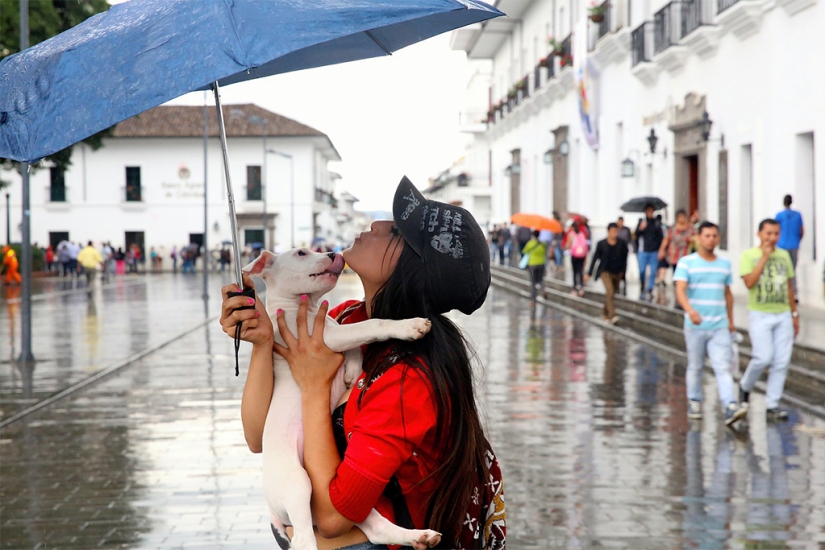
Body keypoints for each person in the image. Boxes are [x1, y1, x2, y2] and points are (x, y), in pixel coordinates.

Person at [220, 177, 504, 550]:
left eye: (399, 233)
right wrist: (262, 341)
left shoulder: (409, 379)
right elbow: (259, 438)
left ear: (414, 272)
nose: (379, 223)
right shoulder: (344, 318)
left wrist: (316, 386)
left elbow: (334, 518)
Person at [673, 222, 745, 425]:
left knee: (722, 367)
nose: (711, 239)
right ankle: (694, 400)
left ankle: (730, 405)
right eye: (707, 235)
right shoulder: (687, 263)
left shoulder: (724, 264)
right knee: (695, 366)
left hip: (719, 325)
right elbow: (680, 290)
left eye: (714, 235)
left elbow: (727, 294)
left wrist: (731, 322)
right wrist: (690, 311)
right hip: (695, 326)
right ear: (698, 238)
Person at [738, 219, 799, 422]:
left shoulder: (784, 256)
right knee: (763, 357)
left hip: (782, 314)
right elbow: (749, 282)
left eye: (775, 234)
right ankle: (745, 386)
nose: (772, 238)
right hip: (760, 313)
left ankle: (772, 404)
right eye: (768, 234)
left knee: (781, 361)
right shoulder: (749, 256)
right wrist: (763, 258)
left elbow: (789, 286)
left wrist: (794, 314)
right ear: (759, 234)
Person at [585, 222, 628, 323]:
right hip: (605, 272)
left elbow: (624, 259)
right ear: (608, 232)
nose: (614, 233)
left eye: (616, 231)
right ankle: (613, 315)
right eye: (612, 231)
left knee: (612, 294)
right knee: (610, 292)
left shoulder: (622, 244)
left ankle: (604, 313)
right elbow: (595, 259)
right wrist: (589, 273)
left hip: (617, 272)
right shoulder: (601, 244)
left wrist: (623, 271)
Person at [660, 210, 697, 308]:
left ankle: (684, 297)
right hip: (674, 256)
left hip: (686, 256)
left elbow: (697, 238)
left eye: (683, 217)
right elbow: (667, 239)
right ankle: (679, 297)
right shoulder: (672, 228)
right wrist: (662, 249)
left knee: (687, 278)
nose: (682, 219)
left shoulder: (690, 228)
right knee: (678, 277)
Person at [775, 194, 803, 300]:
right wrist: (797, 241)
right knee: (792, 270)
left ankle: (782, 291)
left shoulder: (779, 215)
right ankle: (794, 293)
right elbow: (801, 230)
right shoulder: (797, 215)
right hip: (794, 245)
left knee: (781, 269)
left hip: (781, 246)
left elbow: (776, 229)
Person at [635, 203, 664, 301]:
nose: (650, 213)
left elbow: (661, 237)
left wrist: (661, 249)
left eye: (651, 211)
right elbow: (636, 235)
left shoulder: (656, 223)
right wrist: (641, 228)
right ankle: (642, 283)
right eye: (648, 211)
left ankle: (650, 288)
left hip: (654, 251)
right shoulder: (641, 222)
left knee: (653, 271)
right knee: (642, 270)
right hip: (643, 251)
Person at [522, 230, 548, 305]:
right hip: (541, 264)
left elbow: (524, 251)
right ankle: (543, 290)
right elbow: (545, 252)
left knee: (533, 283)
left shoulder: (530, 243)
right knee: (540, 280)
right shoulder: (543, 244)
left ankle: (533, 300)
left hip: (532, 265)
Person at [565, 221, 589, 296]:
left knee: (575, 272)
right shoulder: (582, 234)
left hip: (574, 255)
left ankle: (575, 288)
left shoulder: (571, 234)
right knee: (581, 271)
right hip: (582, 255)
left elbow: (568, 245)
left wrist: (568, 247)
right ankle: (581, 288)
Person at [616, 217, 633, 295]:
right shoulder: (615, 229)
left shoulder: (626, 230)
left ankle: (624, 281)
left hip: (624, 251)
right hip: (616, 251)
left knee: (624, 267)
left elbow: (630, 239)